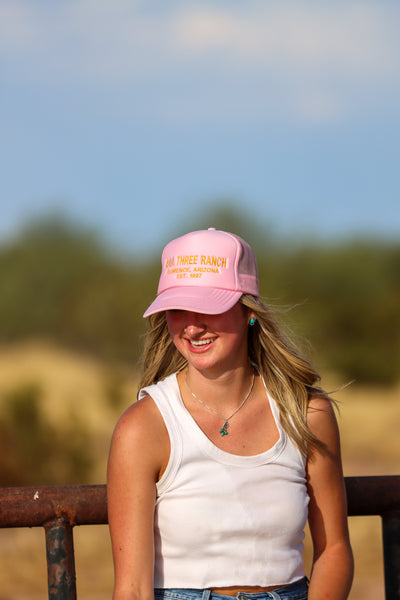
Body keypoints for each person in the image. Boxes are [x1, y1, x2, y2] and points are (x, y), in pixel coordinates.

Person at [107, 228, 354, 600]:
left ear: (249, 312)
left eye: (208, 307)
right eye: (177, 309)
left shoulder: (306, 413)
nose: (192, 326)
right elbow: (132, 588)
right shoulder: (143, 427)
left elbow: (334, 550)